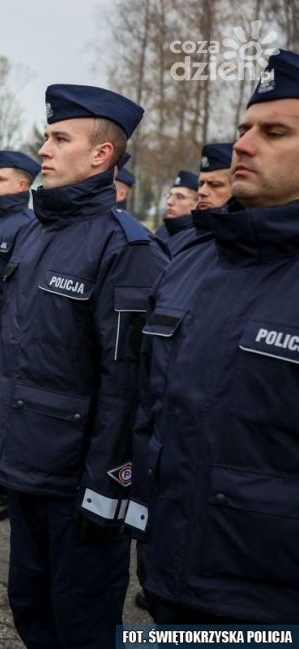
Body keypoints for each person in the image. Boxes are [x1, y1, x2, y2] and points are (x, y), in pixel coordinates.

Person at [0, 84, 168, 649]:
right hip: (26, 467)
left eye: (60, 138)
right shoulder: (37, 232)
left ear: (100, 155)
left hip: (77, 485)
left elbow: (128, 384)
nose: (44, 148)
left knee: (82, 624)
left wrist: (108, 486)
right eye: (46, 136)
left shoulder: (126, 249)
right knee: (30, 607)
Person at [130, 48, 299, 625]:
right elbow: (154, 406)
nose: (245, 145)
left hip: (266, 603)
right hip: (171, 572)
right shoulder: (196, 258)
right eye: (245, 128)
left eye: (274, 132)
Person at [0, 150, 40, 524]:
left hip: (4, 340)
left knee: (2, 416)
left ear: (22, 184)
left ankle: (1, 487)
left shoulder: (25, 226)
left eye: (0, 179)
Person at [156, 170, 198, 250]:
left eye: (180, 197)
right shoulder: (162, 231)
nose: (169, 202)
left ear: (196, 203)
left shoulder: (197, 237)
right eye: (169, 195)